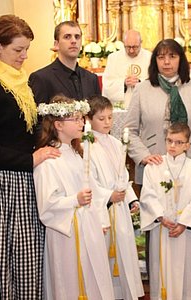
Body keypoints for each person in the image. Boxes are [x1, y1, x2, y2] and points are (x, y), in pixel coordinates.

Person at [0, 15, 57, 298]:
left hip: (24, 181)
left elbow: (25, 135)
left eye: (27, 49)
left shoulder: (21, 84)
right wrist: (30, 160)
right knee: (2, 264)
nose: (24, 56)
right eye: (18, 50)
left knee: (29, 263)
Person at [34, 95, 114, 300]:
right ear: (58, 124)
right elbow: (46, 205)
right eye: (76, 119)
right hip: (67, 232)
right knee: (70, 283)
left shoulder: (76, 152)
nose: (82, 123)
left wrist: (101, 218)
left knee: (94, 278)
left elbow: (93, 190)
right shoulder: (49, 158)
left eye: (82, 118)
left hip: (88, 226)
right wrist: (74, 201)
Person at [125, 38, 191, 186]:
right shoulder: (142, 89)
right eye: (161, 57)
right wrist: (144, 156)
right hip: (154, 164)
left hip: (190, 162)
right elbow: (129, 131)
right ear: (155, 61)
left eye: (172, 56)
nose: (166, 62)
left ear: (181, 60)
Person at [140, 122, 191, 300]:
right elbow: (147, 195)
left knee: (188, 275)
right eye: (169, 141)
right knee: (162, 273)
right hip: (162, 230)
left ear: (187, 145)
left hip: (187, 232)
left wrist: (184, 222)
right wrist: (161, 216)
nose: (172, 146)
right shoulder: (153, 167)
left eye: (178, 142)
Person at [86, 95, 145, 300]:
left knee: (124, 253)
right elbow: (88, 179)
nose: (107, 123)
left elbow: (123, 176)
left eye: (110, 118)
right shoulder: (86, 145)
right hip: (102, 208)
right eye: (101, 119)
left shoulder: (115, 142)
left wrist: (131, 198)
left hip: (120, 208)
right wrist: (108, 195)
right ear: (89, 119)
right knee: (104, 255)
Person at [29, 20, 101, 104]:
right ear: (56, 44)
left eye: (77, 37)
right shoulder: (41, 78)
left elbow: (99, 113)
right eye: (67, 37)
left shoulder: (92, 79)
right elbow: (38, 116)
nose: (74, 41)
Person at [102, 29, 152, 108]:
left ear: (141, 43)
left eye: (135, 47)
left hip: (145, 106)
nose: (131, 50)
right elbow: (107, 85)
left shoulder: (150, 57)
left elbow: (155, 82)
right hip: (120, 107)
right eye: (128, 47)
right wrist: (124, 84)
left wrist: (140, 82)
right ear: (123, 43)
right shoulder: (113, 58)